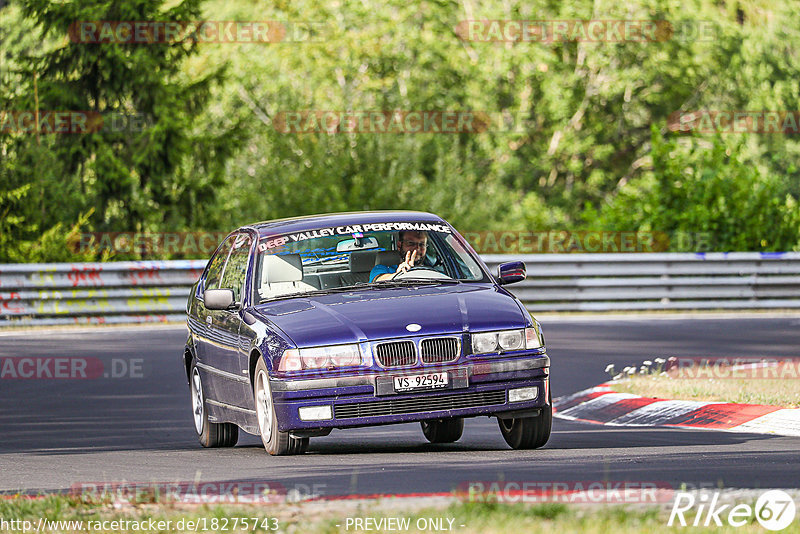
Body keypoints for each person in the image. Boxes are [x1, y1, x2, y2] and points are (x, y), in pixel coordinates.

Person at [369, 230, 435, 282]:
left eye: (422, 244)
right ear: (399, 246)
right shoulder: (381, 269)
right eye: (411, 243)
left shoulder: (435, 269)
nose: (417, 249)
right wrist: (399, 275)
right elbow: (379, 279)